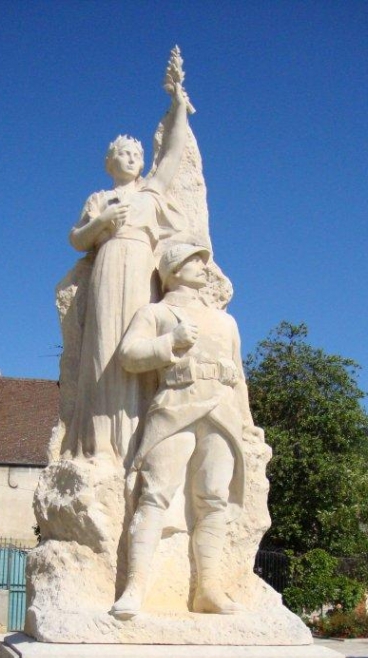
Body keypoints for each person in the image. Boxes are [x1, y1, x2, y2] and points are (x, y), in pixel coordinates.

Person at [110, 242, 262, 619]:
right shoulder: (156, 312)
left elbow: (239, 377)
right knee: (155, 494)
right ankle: (134, 589)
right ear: (173, 269)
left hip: (221, 409)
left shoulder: (226, 322)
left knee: (213, 498)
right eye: (195, 260)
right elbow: (129, 355)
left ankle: (208, 589)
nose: (203, 267)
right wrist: (170, 343)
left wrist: (247, 424)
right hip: (176, 402)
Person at [60, 81, 190, 466]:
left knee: (134, 349)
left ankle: (135, 445)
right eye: (123, 152)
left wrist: (179, 104)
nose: (132, 157)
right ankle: (99, 444)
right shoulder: (99, 199)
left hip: (141, 270)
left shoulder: (151, 192)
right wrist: (101, 222)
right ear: (109, 161)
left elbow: (172, 154)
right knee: (101, 351)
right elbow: (77, 240)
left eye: (136, 152)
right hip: (107, 266)